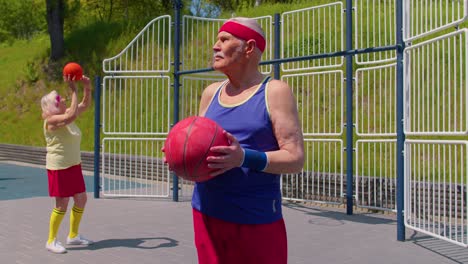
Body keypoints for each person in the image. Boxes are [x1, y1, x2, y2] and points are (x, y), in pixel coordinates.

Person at [192, 17, 304, 264]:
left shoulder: (274, 91)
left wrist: (243, 157)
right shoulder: (211, 93)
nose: (215, 46)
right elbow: (198, 145)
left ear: (249, 48)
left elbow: (295, 159)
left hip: (255, 219)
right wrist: (182, 155)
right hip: (206, 213)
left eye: (224, 39)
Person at [40, 74, 94, 254]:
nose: (62, 99)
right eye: (58, 99)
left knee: (81, 199)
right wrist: (73, 91)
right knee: (61, 204)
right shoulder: (51, 122)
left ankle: (73, 236)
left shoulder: (65, 114)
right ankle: (51, 240)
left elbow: (84, 105)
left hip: (73, 165)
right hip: (59, 167)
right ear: (52, 107)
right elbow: (71, 115)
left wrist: (87, 87)